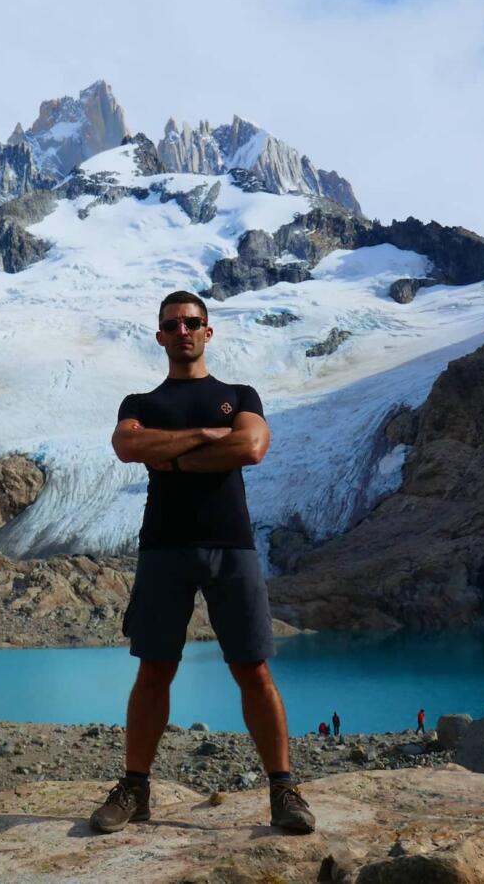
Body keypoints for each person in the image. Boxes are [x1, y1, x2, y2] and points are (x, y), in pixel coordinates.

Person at [89, 291, 315, 835]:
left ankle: (283, 789)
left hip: (231, 546)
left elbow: (253, 446)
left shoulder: (239, 394)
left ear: (208, 332)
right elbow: (126, 446)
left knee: (253, 668)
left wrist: (171, 455)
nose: (183, 330)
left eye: (193, 322)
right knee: (154, 669)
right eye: (173, 324)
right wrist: (209, 438)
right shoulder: (138, 402)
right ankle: (136, 788)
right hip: (164, 546)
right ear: (160, 335)